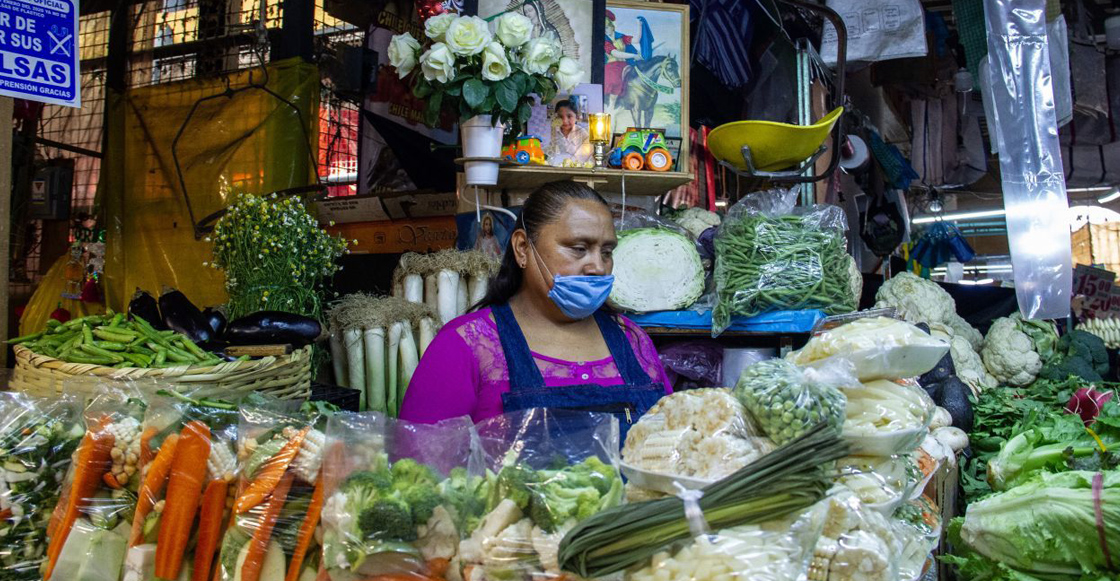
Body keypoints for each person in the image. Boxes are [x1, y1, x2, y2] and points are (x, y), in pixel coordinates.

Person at [400, 181, 671, 435]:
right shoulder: (464, 345)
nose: (598, 267)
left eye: (607, 252)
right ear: (522, 248)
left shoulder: (633, 341)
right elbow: (421, 469)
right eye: (579, 248)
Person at [546, 100, 592, 165]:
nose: (564, 121)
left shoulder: (582, 133)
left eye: (569, 116)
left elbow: (586, 157)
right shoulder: (553, 133)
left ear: (576, 117)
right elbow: (549, 155)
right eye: (560, 117)